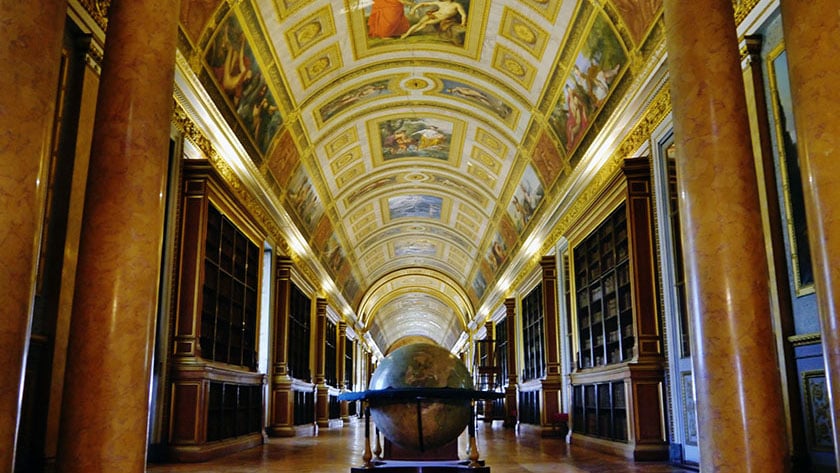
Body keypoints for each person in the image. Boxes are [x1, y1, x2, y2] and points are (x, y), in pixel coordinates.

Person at [401, 0, 466, 40]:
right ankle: (406, 34)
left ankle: (408, 33)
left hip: (439, 18)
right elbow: (423, 4)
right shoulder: (440, 3)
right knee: (419, 24)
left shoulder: (456, 5)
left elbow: (463, 15)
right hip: (433, 15)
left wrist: (463, 23)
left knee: (425, 24)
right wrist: (413, 9)